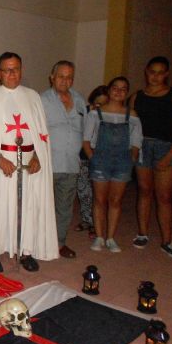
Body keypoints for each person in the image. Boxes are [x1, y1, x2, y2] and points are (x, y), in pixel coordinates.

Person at [0, 52, 59, 272]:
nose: (13, 74)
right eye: (7, 70)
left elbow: (41, 133)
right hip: (2, 165)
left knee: (28, 206)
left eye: (17, 69)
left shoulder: (33, 97)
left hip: (28, 162)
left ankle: (26, 251)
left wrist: (38, 157)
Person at [130, 56, 172, 258]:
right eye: (152, 71)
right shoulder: (137, 96)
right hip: (142, 145)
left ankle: (167, 240)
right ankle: (142, 234)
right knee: (144, 191)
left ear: (166, 74)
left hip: (165, 147)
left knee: (164, 197)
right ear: (146, 71)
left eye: (160, 72)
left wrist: (171, 154)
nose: (155, 76)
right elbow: (130, 124)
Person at [83, 77, 142, 253]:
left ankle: (111, 238)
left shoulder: (131, 115)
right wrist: (93, 158)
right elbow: (86, 140)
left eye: (123, 89)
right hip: (101, 159)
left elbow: (136, 141)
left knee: (116, 201)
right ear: (109, 90)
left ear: (127, 93)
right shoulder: (96, 114)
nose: (118, 91)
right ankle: (99, 237)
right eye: (115, 87)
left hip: (122, 161)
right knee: (100, 200)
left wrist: (131, 159)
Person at [41, 60, 87, 259]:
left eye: (69, 77)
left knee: (65, 208)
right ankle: (37, 245)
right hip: (47, 164)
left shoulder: (79, 100)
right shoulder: (42, 100)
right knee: (41, 207)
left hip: (70, 164)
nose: (65, 81)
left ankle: (59, 244)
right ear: (52, 77)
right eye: (61, 76)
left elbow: (85, 129)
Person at [74, 85, 108, 239]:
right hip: (83, 156)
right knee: (83, 191)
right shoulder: (85, 112)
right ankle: (87, 220)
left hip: (101, 156)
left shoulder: (109, 115)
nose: (98, 107)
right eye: (96, 103)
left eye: (103, 103)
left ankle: (97, 222)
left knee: (98, 192)